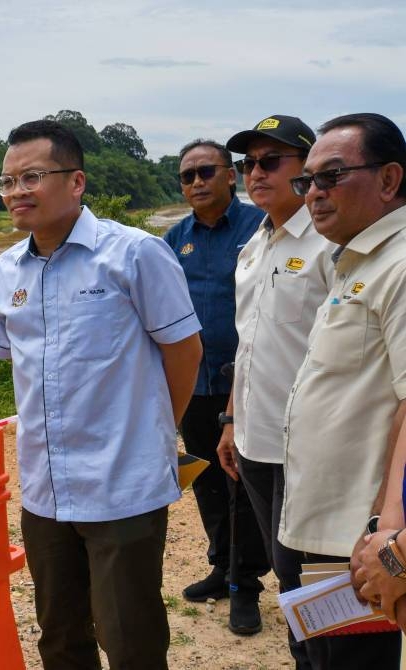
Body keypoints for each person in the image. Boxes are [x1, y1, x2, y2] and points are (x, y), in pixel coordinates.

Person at [0, 119, 203, 669]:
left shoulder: (134, 255)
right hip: (44, 489)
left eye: (32, 176)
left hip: (122, 486)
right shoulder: (5, 270)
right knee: (59, 635)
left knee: (130, 638)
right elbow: (23, 371)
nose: (18, 192)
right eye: (7, 182)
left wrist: (153, 438)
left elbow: (184, 353)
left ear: (76, 181)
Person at [279, 113, 406, 667]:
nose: (314, 194)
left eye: (332, 176)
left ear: (388, 179)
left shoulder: (400, 265)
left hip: (357, 543)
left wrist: (389, 536)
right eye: (306, 181)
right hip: (320, 522)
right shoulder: (357, 260)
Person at [215, 115, 332, 666]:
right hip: (258, 445)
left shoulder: (329, 245)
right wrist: (232, 420)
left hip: (313, 449)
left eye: (269, 161)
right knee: (288, 574)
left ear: (306, 170)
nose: (253, 173)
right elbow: (250, 345)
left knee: (323, 580)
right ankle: (302, 657)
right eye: (246, 164)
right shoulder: (253, 248)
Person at [163, 139, 269, 634]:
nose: (197, 182)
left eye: (207, 172)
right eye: (187, 176)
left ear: (232, 176)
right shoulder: (173, 240)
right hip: (193, 382)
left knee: (244, 481)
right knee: (204, 476)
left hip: (248, 382)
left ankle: (245, 585)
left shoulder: (261, 229)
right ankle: (222, 566)